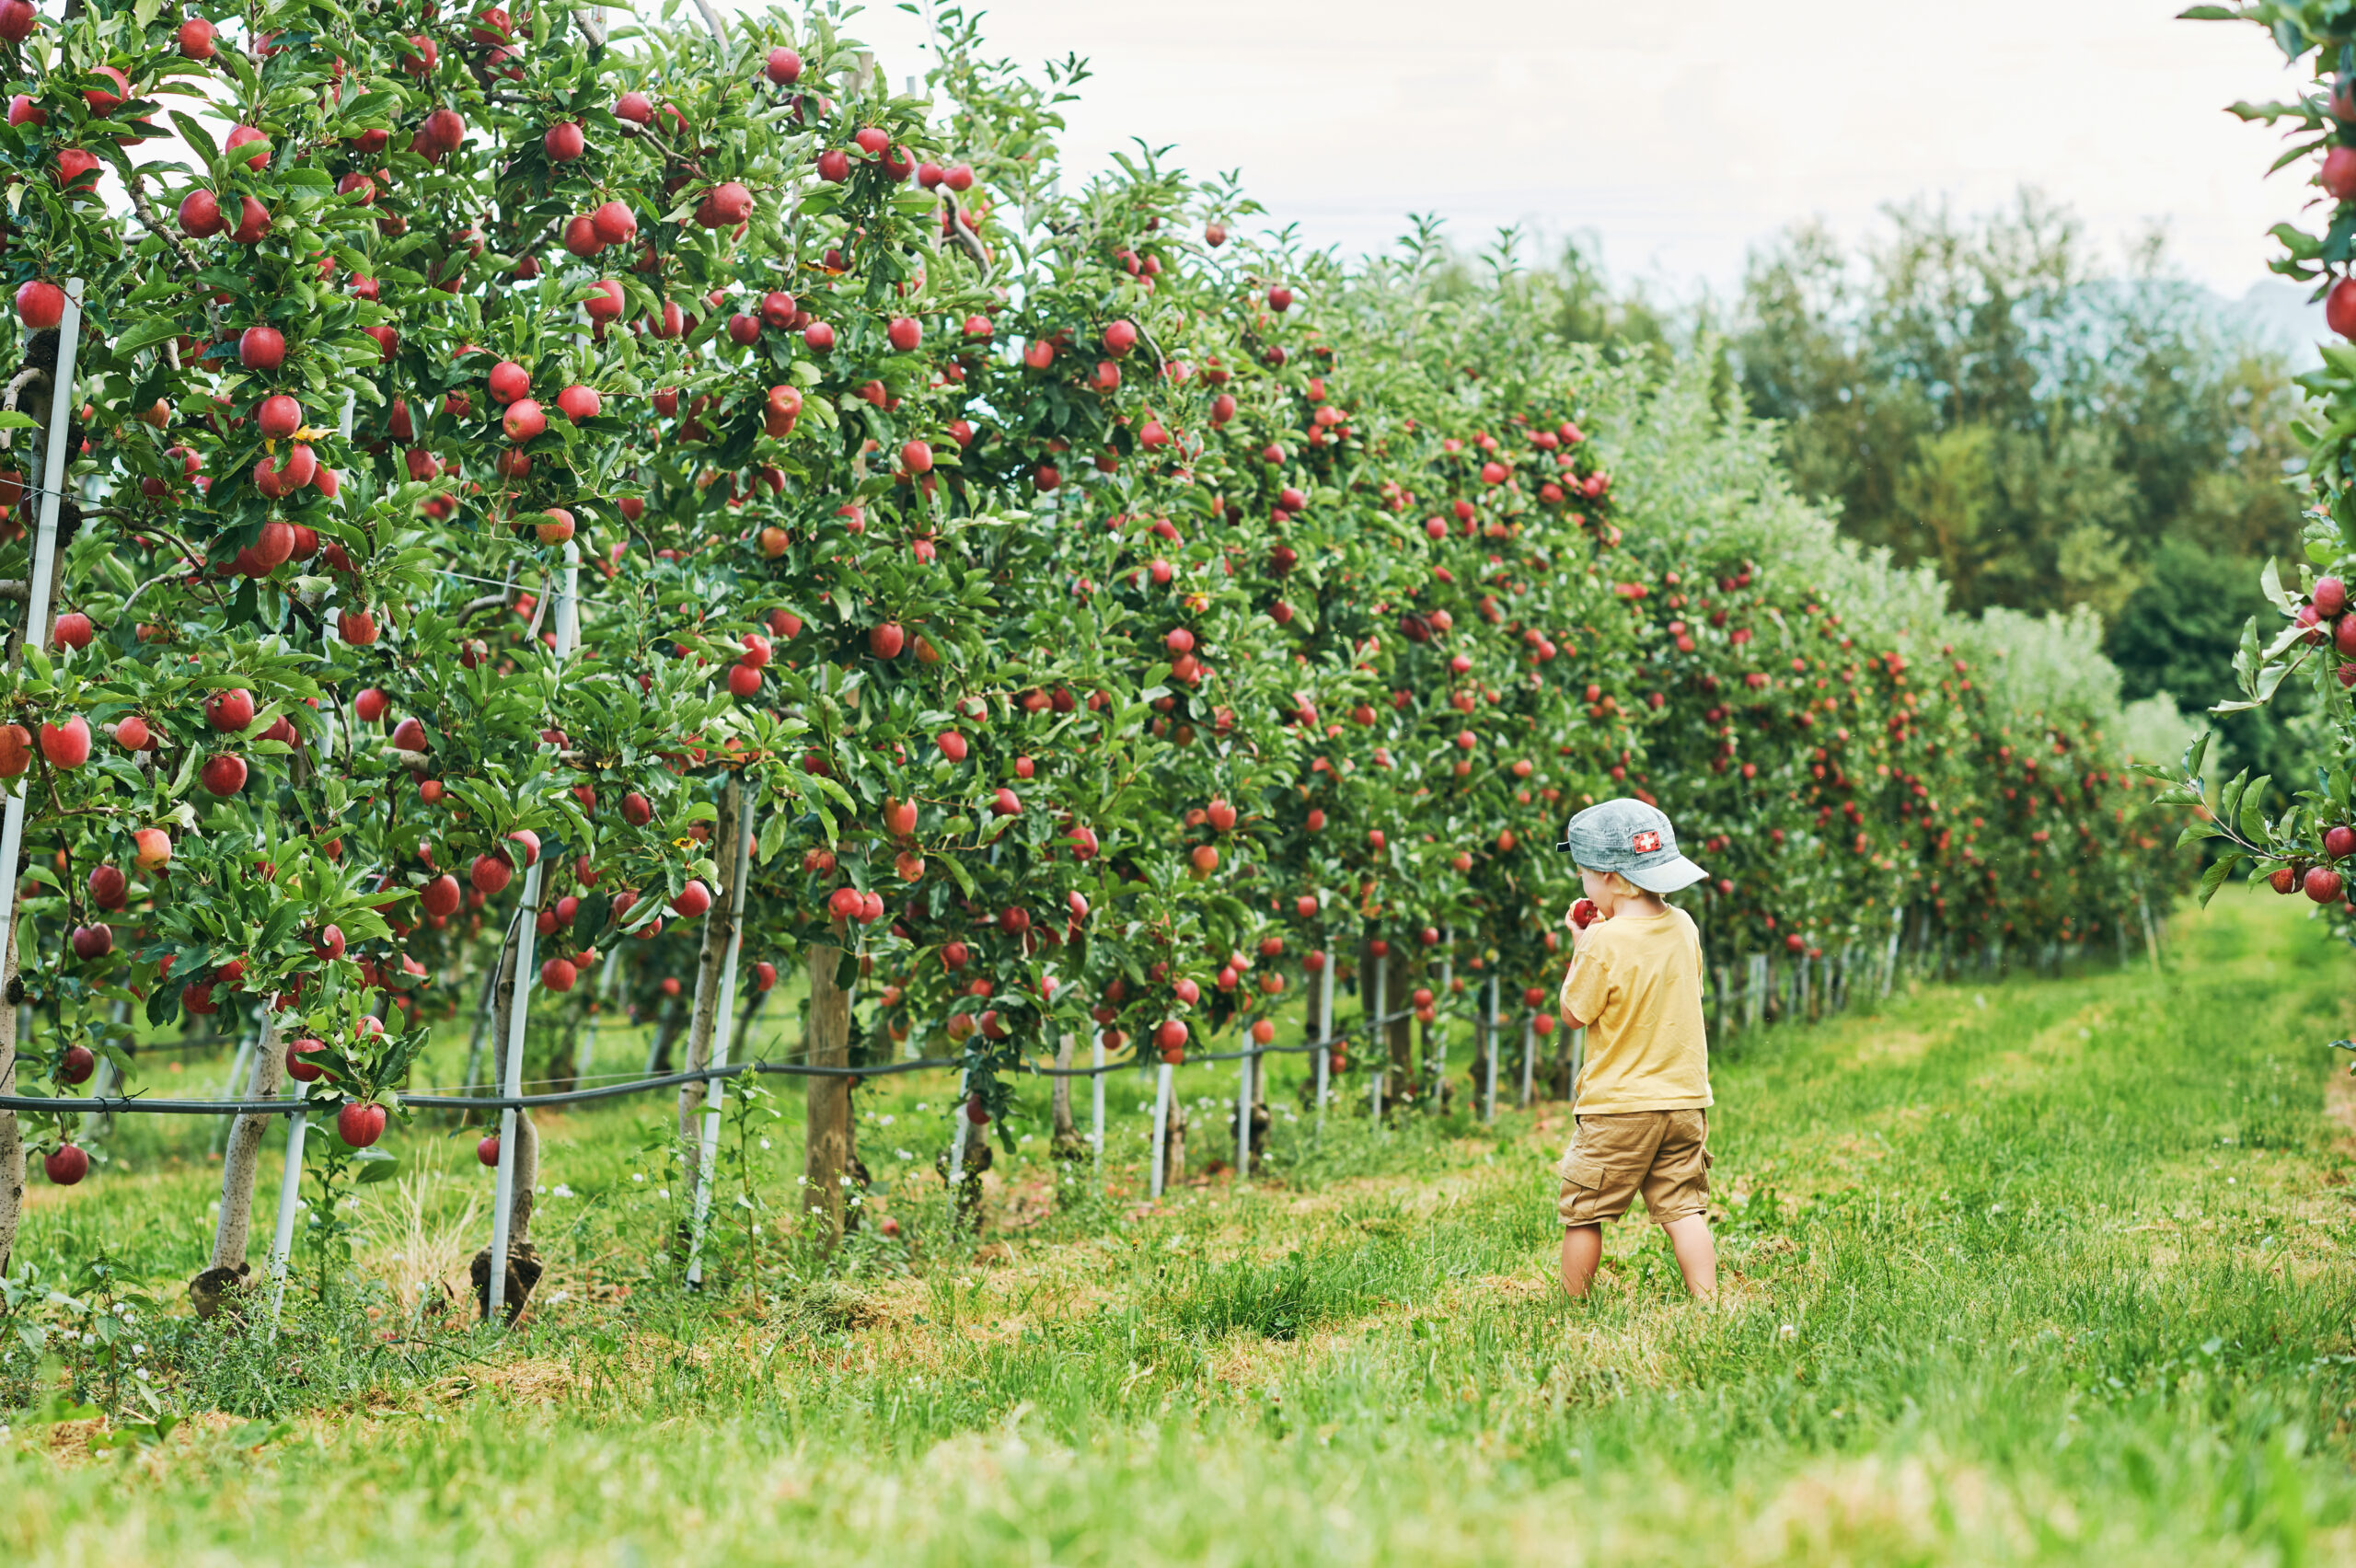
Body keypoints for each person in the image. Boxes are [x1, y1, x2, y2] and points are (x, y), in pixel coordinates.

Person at [1550, 798, 1716, 1302]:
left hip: (1619, 1108)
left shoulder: (1604, 941)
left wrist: (1582, 947)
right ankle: (1708, 1301)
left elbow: (1575, 1012)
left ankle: (1572, 1303)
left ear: (1609, 879)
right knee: (1683, 1208)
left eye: (1583, 873)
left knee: (1585, 1212)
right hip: (1684, 1102)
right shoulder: (1684, 925)